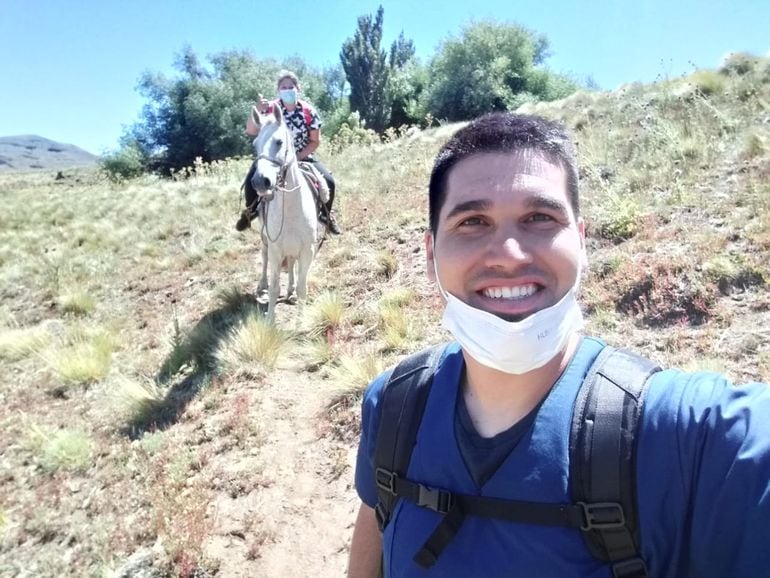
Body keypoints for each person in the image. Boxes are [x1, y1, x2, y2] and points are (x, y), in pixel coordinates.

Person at [347, 112, 770, 577]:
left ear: (582, 242)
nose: (509, 254)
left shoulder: (685, 437)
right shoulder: (393, 406)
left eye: (540, 218)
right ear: (430, 255)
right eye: (472, 221)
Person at [236, 69, 341, 234]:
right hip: (273, 158)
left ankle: (326, 216)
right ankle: (250, 212)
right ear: (278, 90)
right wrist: (257, 108)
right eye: (283, 87)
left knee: (329, 181)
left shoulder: (308, 112)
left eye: (290, 86)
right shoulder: (269, 108)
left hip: (302, 156)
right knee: (252, 178)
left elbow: (315, 141)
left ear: (297, 89)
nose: (287, 90)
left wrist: (297, 157)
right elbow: (251, 130)